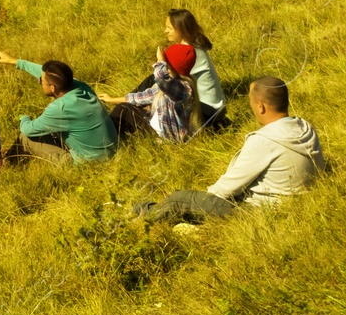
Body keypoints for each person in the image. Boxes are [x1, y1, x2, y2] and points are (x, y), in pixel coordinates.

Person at [131, 77, 327, 224]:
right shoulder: (304, 127)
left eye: (251, 101)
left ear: (260, 106)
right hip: (293, 204)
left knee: (178, 199)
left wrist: (204, 201)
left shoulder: (264, 140)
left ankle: (137, 213)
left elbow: (226, 189)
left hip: (261, 211)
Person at [0, 48, 117, 164]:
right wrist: (14, 61)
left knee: (25, 138)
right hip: (110, 150)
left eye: (42, 82)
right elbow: (47, 74)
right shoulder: (80, 86)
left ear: (52, 88)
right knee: (49, 131)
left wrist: (24, 118)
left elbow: (27, 129)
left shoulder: (61, 108)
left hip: (89, 161)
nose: (40, 81)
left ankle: (7, 163)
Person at [131, 9, 229, 131]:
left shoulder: (190, 53)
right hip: (207, 106)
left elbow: (165, 82)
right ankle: (132, 102)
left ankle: (131, 105)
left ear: (181, 29)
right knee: (154, 81)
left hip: (208, 111)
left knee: (155, 81)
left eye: (169, 28)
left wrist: (160, 61)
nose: (165, 31)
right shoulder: (192, 46)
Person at [102, 44, 199, 143]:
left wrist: (160, 60)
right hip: (159, 129)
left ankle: (106, 142)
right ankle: (116, 139)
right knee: (124, 109)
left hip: (167, 137)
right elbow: (142, 97)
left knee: (122, 111)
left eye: (165, 62)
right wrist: (111, 99)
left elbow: (160, 77)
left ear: (169, 67)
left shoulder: (182, 87)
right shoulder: (172, 84)